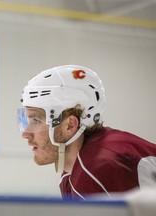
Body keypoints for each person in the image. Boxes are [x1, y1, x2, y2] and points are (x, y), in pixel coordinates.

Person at [18, 65, 156, 200]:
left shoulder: (100, 166)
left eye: (36, 120)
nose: (25, 133)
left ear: (70, 125)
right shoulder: (71, 172)